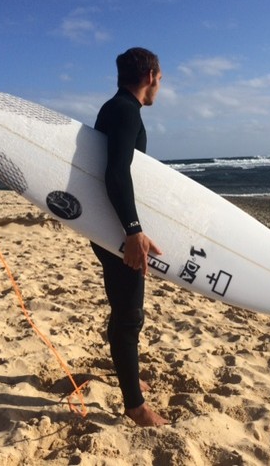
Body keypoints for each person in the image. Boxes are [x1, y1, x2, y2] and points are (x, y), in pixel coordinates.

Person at [91, 47, 168, 427]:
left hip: (110, 224)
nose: (160, 87)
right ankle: (135, 407)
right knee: (129, 315)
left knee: (124, 311)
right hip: (117, 229)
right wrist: (133, 230)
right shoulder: (124, 111)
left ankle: (128, 378)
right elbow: (116, 173)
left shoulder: (118, 107)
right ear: (151, 75)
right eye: (160, 79)